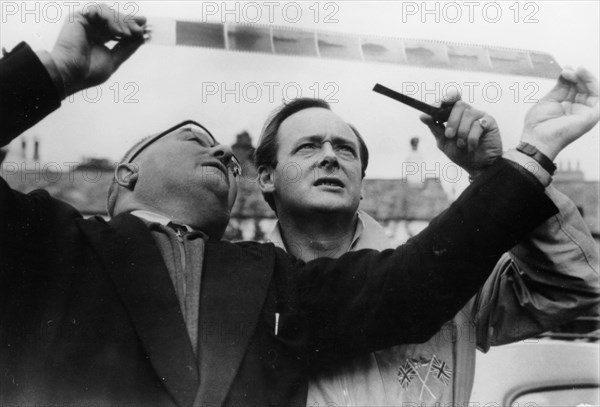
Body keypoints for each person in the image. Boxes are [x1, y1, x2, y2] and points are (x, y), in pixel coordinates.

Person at [0, 5, 572, 407]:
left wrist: (521, 160)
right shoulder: (49, 238)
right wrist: (51, 73)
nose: (226, 150)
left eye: (346, 148)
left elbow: (414, 281)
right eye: (199, 138)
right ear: (125, 172)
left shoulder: (268, 281)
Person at [254, 74, 599, 404]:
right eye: (308, 147)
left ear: (362, 183)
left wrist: (495, 170)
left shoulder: (449, 272)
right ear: (267, 178)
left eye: (345, 150)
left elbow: (573, 285)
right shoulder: (239, 293)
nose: (329, 156)